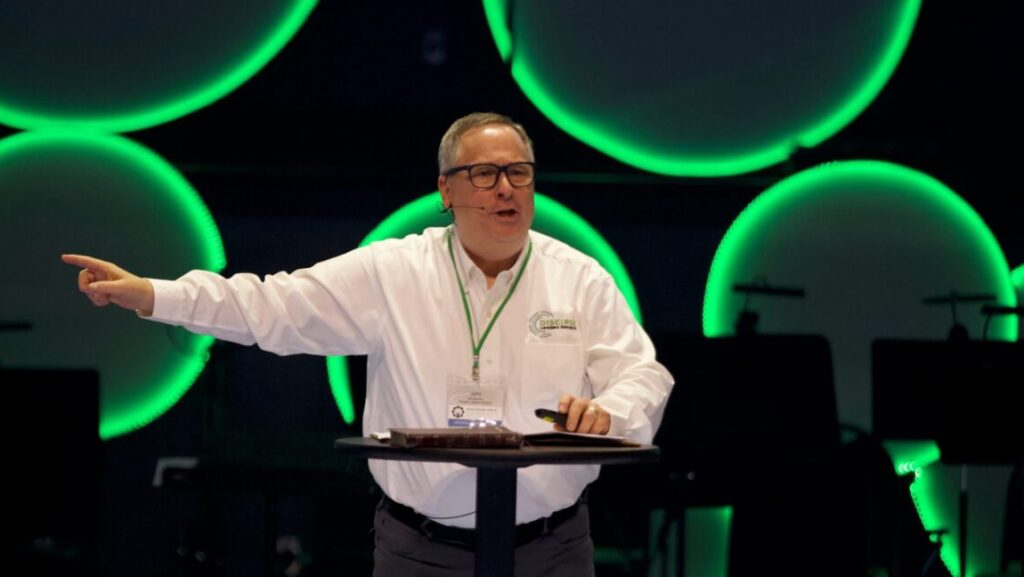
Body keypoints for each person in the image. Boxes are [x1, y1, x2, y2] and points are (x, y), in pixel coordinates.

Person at [62, 112, 673, 576]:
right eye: (484, 174)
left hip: (551, 550)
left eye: (519, 172)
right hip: (419, 551)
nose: (505, 188)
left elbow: (643, 374)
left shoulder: (579, 278)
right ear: (446, 190)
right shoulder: (393, 271)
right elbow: (273, 305)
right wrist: (154, 294)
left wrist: (609, 413)